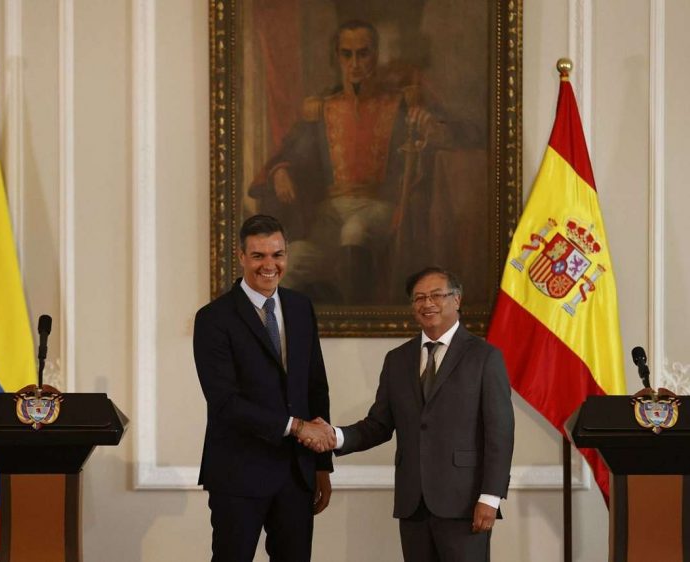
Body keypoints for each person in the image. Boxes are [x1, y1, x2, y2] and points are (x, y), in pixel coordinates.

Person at [302, 267, 514, 561]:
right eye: (419, 298)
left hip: (465, 504)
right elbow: (378, 425)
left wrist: (490, 498)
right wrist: (334, 436)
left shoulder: (484, 357)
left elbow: (500, 434)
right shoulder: (397, 360)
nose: (427, 304)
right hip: (413, 504)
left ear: (457, 300)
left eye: (436, 295)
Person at [249, 20, 466, 304]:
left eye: (363, 53)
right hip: (329, 215)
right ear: (337, 57)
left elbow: (460, 131)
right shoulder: (323, 108)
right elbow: (290, 153)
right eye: (347, 54)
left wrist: (435, 129)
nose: (355, 63)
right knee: (294, 259)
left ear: (375, 55)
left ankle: (359, 316)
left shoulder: (400, 102)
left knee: (355, 229)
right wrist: (280, 171)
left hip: (379, 209)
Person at [193, 214, 336, 561]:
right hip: (238, 473)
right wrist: (296, 427)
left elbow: (316, 387)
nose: (269, 265)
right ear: (241, 257)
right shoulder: (214, 318)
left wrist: (321, 466)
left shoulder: (301, 308)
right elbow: (224, 402)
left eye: (277, 254)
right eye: (258, 256)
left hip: (296, 474)